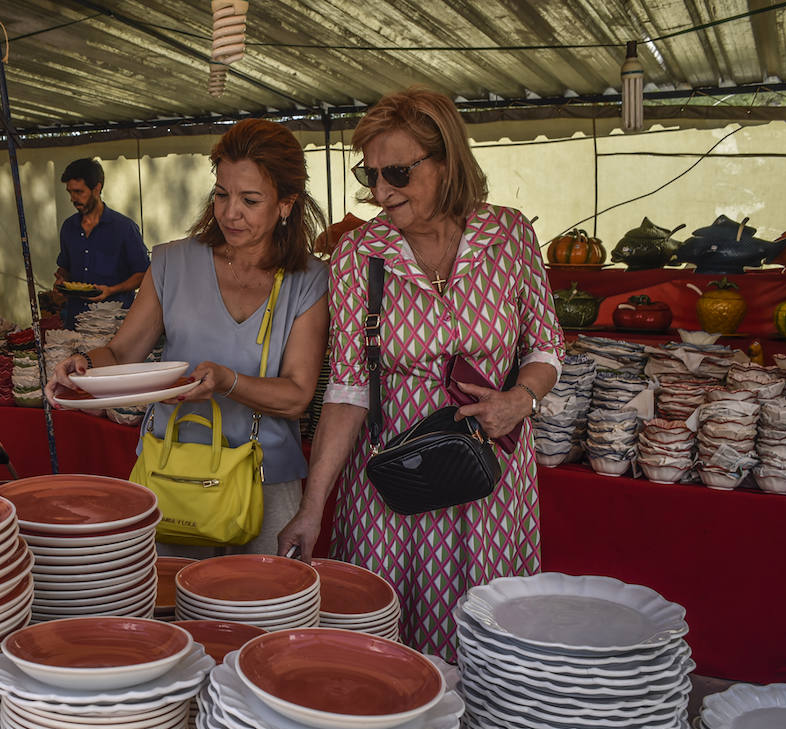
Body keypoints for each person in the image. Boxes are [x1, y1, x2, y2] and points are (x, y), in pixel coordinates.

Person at [277, 89, 565, 660]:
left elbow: (546, 346)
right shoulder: (361, 253)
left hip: (489, 478)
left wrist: (522, 398)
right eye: (370, 174)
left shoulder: (509, 236)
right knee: (384, 647)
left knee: (484, 640)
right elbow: (348, 389)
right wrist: (312, 508)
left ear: (447, 163)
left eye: (398, 173)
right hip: (395, 480)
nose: (381, 192)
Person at [48, 119, 329, 556]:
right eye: (221, 194)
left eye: (250, 200)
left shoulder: (308, 280)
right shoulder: (171, 263)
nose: (230, 213)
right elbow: (121, 352)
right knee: (170, 594)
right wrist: (84, 366)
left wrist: (227, 381)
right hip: (171, 470)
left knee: (263, 597)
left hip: (266, 481)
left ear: (286, 204)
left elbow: (296, 395)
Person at [52, 157, 150, 329]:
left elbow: (143, 274)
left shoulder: (124, 228)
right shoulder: (68, 227)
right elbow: (65, 268)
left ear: (97, 188)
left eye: (79, 192)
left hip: (114, 324)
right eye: (70, 192)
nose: (73, 198)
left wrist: (112, 290)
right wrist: (61, 283)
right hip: (75, 322)